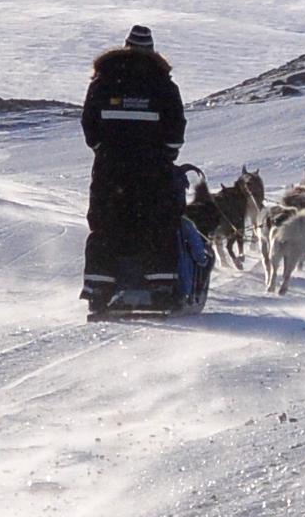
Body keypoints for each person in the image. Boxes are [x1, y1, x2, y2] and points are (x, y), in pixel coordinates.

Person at [79, 23, 210, 307]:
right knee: (158, 223)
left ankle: (99, 288)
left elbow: (89, 124)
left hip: (109, 171)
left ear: (124, 47)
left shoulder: (102, 81)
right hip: (153, 170)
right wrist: (165, 156)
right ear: (152, 51)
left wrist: (103, 150)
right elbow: (176, 128)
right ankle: (161, 287)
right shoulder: (163, 84)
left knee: (106, 222)